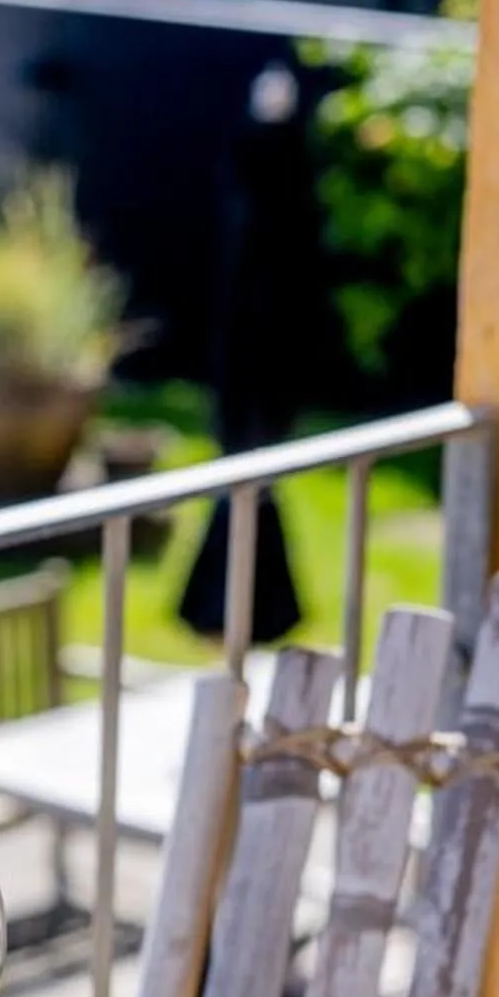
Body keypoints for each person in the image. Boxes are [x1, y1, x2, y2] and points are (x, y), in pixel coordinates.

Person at [178, 60, 339, 643]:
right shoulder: (243, 174)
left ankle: (259, 603)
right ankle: (218, 599)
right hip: (240, 347)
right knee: (237, 469)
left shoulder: (292, 183)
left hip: (274, 348)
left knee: (260, 474)